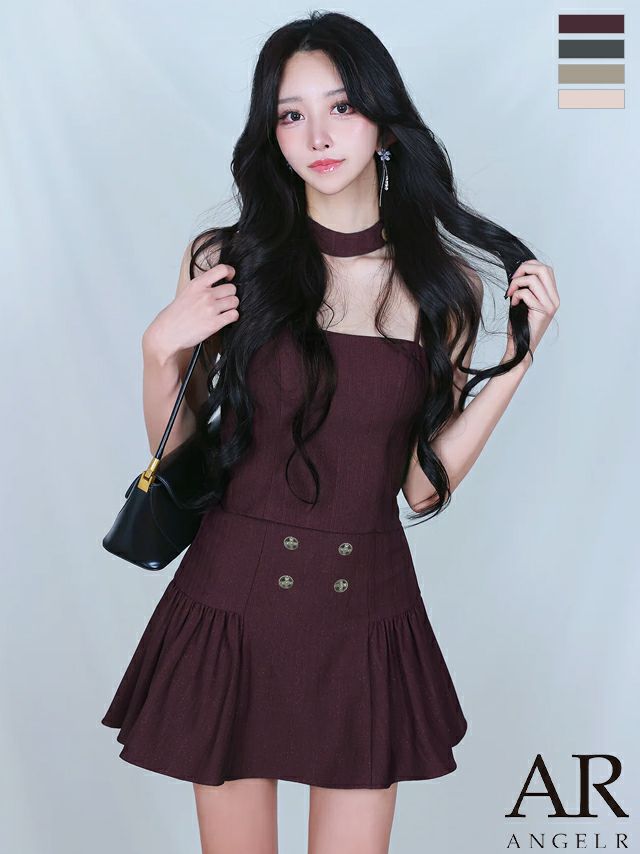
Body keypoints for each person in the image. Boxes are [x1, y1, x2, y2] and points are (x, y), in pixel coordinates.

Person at [101, 11, 560, 854]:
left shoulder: (442, 287)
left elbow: (420, 488)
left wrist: (517, 363)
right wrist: (158, 350)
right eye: (291, 113)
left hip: (364, 611)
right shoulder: (225, 261)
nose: (317, 135)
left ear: (383, 120)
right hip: (232, 604)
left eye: (341, 106)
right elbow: (180, 455)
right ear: (271, 133)